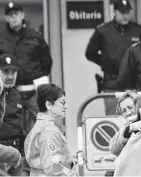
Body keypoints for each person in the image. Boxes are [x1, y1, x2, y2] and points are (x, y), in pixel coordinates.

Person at [0, 2, 53, 133]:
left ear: (22, 15)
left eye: (16, 14)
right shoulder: (1, 38)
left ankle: (45, 152)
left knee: (44, 124)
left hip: (34, 91)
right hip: (10, 92)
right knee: (10, 125)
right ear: (6, 18)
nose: (13, 17)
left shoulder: (35, 36)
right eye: (10, 15)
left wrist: (36, 76)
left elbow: (47, 61)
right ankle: (16, 153)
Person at [85, 0, 141, 115]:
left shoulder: (139, 30)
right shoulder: (103, 30)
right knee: (113, 116)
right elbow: (90, 53)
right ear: (115, 11)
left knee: (135, 116)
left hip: (134, 81)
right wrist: (105, 63)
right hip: (112, 82)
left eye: (128, 12)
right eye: (122, 12)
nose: (125, 16)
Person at [24, 83, 78, 176]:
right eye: (62, 102)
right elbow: (53, 168)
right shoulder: (48, 131)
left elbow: (48, 159)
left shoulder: (42, 126)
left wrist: (68, 158)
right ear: (48, 104)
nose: (66, 106)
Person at [0, 54, 28, 175]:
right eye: (5, 72)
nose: (10, 77)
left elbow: (22, 129)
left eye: (14, 72)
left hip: (16, 154)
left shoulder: (17, 95)